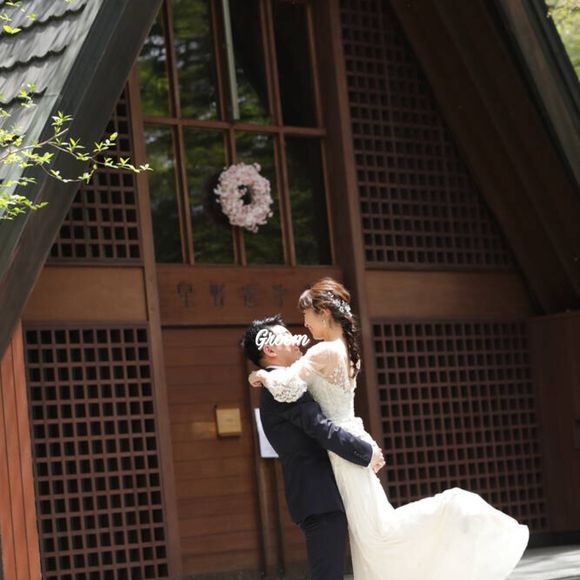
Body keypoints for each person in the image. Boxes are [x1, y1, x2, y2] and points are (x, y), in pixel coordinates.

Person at [249, 278, 530, 580]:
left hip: (345, 455)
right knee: (375, 536)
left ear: (324, 313)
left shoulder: (321, 353)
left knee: (378, 536)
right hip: (349, 444)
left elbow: (290, 385)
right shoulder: (345, 351)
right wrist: (365, 445)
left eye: (306, 315)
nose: (303, 325)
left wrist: (262, 376)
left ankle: (454, 507)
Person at [240, 315, 385, 580]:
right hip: (318, 495)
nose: (296, 338)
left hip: (321, 493)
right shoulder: (281, 388)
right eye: (286, 335)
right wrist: (365, 452)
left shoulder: (283, 381)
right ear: (269, 349)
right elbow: (320, 428)